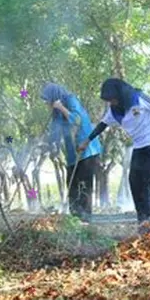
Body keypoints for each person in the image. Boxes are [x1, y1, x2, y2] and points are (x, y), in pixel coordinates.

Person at [78, 78, 150, 226]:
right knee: (135, 181)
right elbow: (102, 125)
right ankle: (142, 220)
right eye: (109, 100)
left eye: (112, 99)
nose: (111, 103)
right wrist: (87, 141)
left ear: (120, 94)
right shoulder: (114, 111)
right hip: (138, 145)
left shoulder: (138, 98)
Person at [41, 83, 103, 221]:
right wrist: (49, 145)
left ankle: (86, 219)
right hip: (72, 154)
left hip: (86, 149)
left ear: (54, 97)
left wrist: (61, 107)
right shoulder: (55, 113)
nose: (46, 103)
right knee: (72, 185)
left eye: (47, 100)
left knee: (84, 186)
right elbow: (54, 132)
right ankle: (74, 219)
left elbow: (77, 120)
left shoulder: (70, 100)